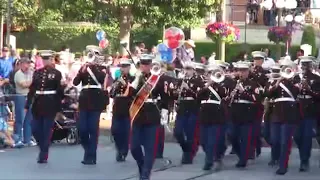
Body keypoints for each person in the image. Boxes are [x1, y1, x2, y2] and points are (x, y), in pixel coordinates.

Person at [129, 54, 171, 180]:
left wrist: (164, 112)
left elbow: (165, 97)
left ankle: (146, 173)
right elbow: (130, 94)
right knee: (134, 146)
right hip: (138, 115)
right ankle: (142, 165)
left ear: (151, 65)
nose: (145, 67)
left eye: (147, 64)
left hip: (153, 115)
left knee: (150, 147)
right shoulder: (135, 78)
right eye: (142, 64)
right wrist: (137, 78)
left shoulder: (158, 79)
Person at [25, 52, 64, 163]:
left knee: (46, 129)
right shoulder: (37, 73)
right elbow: (32, 90)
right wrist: (27, 104)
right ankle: (43, 146)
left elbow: (59, 91)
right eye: (44, 59)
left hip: (50, 104)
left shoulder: (56, 73)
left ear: (51, 60)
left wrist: (58, 108)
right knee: (35, 129)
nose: (46, 61)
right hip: (38, 104)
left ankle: (43, 153)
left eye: (48, 59)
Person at [73, 47, 109, 165]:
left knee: (93, 129)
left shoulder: (102, 68)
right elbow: (75, 82)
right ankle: (88, 150)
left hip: (95, 100)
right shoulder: (83, 68)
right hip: (84, 100)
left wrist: (92, 67)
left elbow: (102, 79)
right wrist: (82, 70)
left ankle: (91, 156)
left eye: (94, 55)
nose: (92, 57)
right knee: (82, 129)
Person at [265, 57, 300, 175]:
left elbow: (297, 93)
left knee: (285, 141)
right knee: (275, 140)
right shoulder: (276, 82)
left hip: (289, 114)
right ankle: (277, 157)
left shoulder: (296, 81)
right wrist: (276, 83)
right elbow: (268, 94)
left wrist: (291, 81)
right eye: (283, 68)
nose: (285, 70)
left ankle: (283, 165)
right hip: (276, 114)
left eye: (287, 68)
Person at [229, 61, 262, 168]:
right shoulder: (233, 83)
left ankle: (243, 160)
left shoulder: (253, 84)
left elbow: (256, 100)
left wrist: (243, 92)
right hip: (235, 113)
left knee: (245, 138)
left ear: (248, 72)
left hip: (247, 114)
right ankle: (241, 155)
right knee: (232, 135)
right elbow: (228, 99)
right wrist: (231, 96)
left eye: (244, 71)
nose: (242, 73)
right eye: (240, 71)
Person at [198, 64, 228, 171]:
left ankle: (209, 161)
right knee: (203, 141)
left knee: (212, 141)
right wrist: (206, 86)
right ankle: (214, 156)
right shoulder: (202, 85)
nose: (211, 75)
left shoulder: (221, 85)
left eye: (213, 73)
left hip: (216, 115)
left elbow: (224, 94)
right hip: (204, 115)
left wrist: (214, 84)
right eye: (209, 73)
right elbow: (198, 96)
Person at [293, 56, 320, 172]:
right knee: (297, 136)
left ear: (311, 65)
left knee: (307, 137)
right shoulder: (295, 78)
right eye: (303, 64)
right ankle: (303, 154)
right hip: (297, 110)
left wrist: (308, 89)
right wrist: (296, 88)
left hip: (310, 110)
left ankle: (304, 160)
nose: (304, 67)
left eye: (307, 64)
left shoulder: (316, 79)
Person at [173, 61, 202, 164]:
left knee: (190, 133)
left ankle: (188, 155)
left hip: (193, 108)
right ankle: (186, 149)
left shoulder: (198, 80)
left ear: (193, 70)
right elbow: (175, 95)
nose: (187, 71)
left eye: (189, 69)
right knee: (177, 132)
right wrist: (176, 92)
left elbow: (199, 96)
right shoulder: (180, 80)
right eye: (185, 69)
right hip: (182, 108)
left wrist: (188, 89)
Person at [110, 59, 134, 162]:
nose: (123, 68)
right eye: (121, 66)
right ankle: (118, 148)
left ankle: (123, 151)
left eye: (125, 66)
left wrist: (127, 83)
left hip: (128, 107)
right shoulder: (117, 79)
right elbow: (111, 94)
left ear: (129, 67)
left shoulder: (133, 79)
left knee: (125, 131)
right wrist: (116, 85)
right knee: (115, 130)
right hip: (117, 107)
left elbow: (134, 93)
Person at [13, 57, 35, 147]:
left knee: (29, 119)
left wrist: (32, 82)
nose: (28, 65)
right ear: (21, 64)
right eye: (26, 63)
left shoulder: (31, 72)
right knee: (20, 119)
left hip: (30, 97)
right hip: (21, 97)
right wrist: (33, 82)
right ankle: (17, 139)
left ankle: (27, 139)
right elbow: (23, 85)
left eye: (29, 63)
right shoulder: (18, 74)